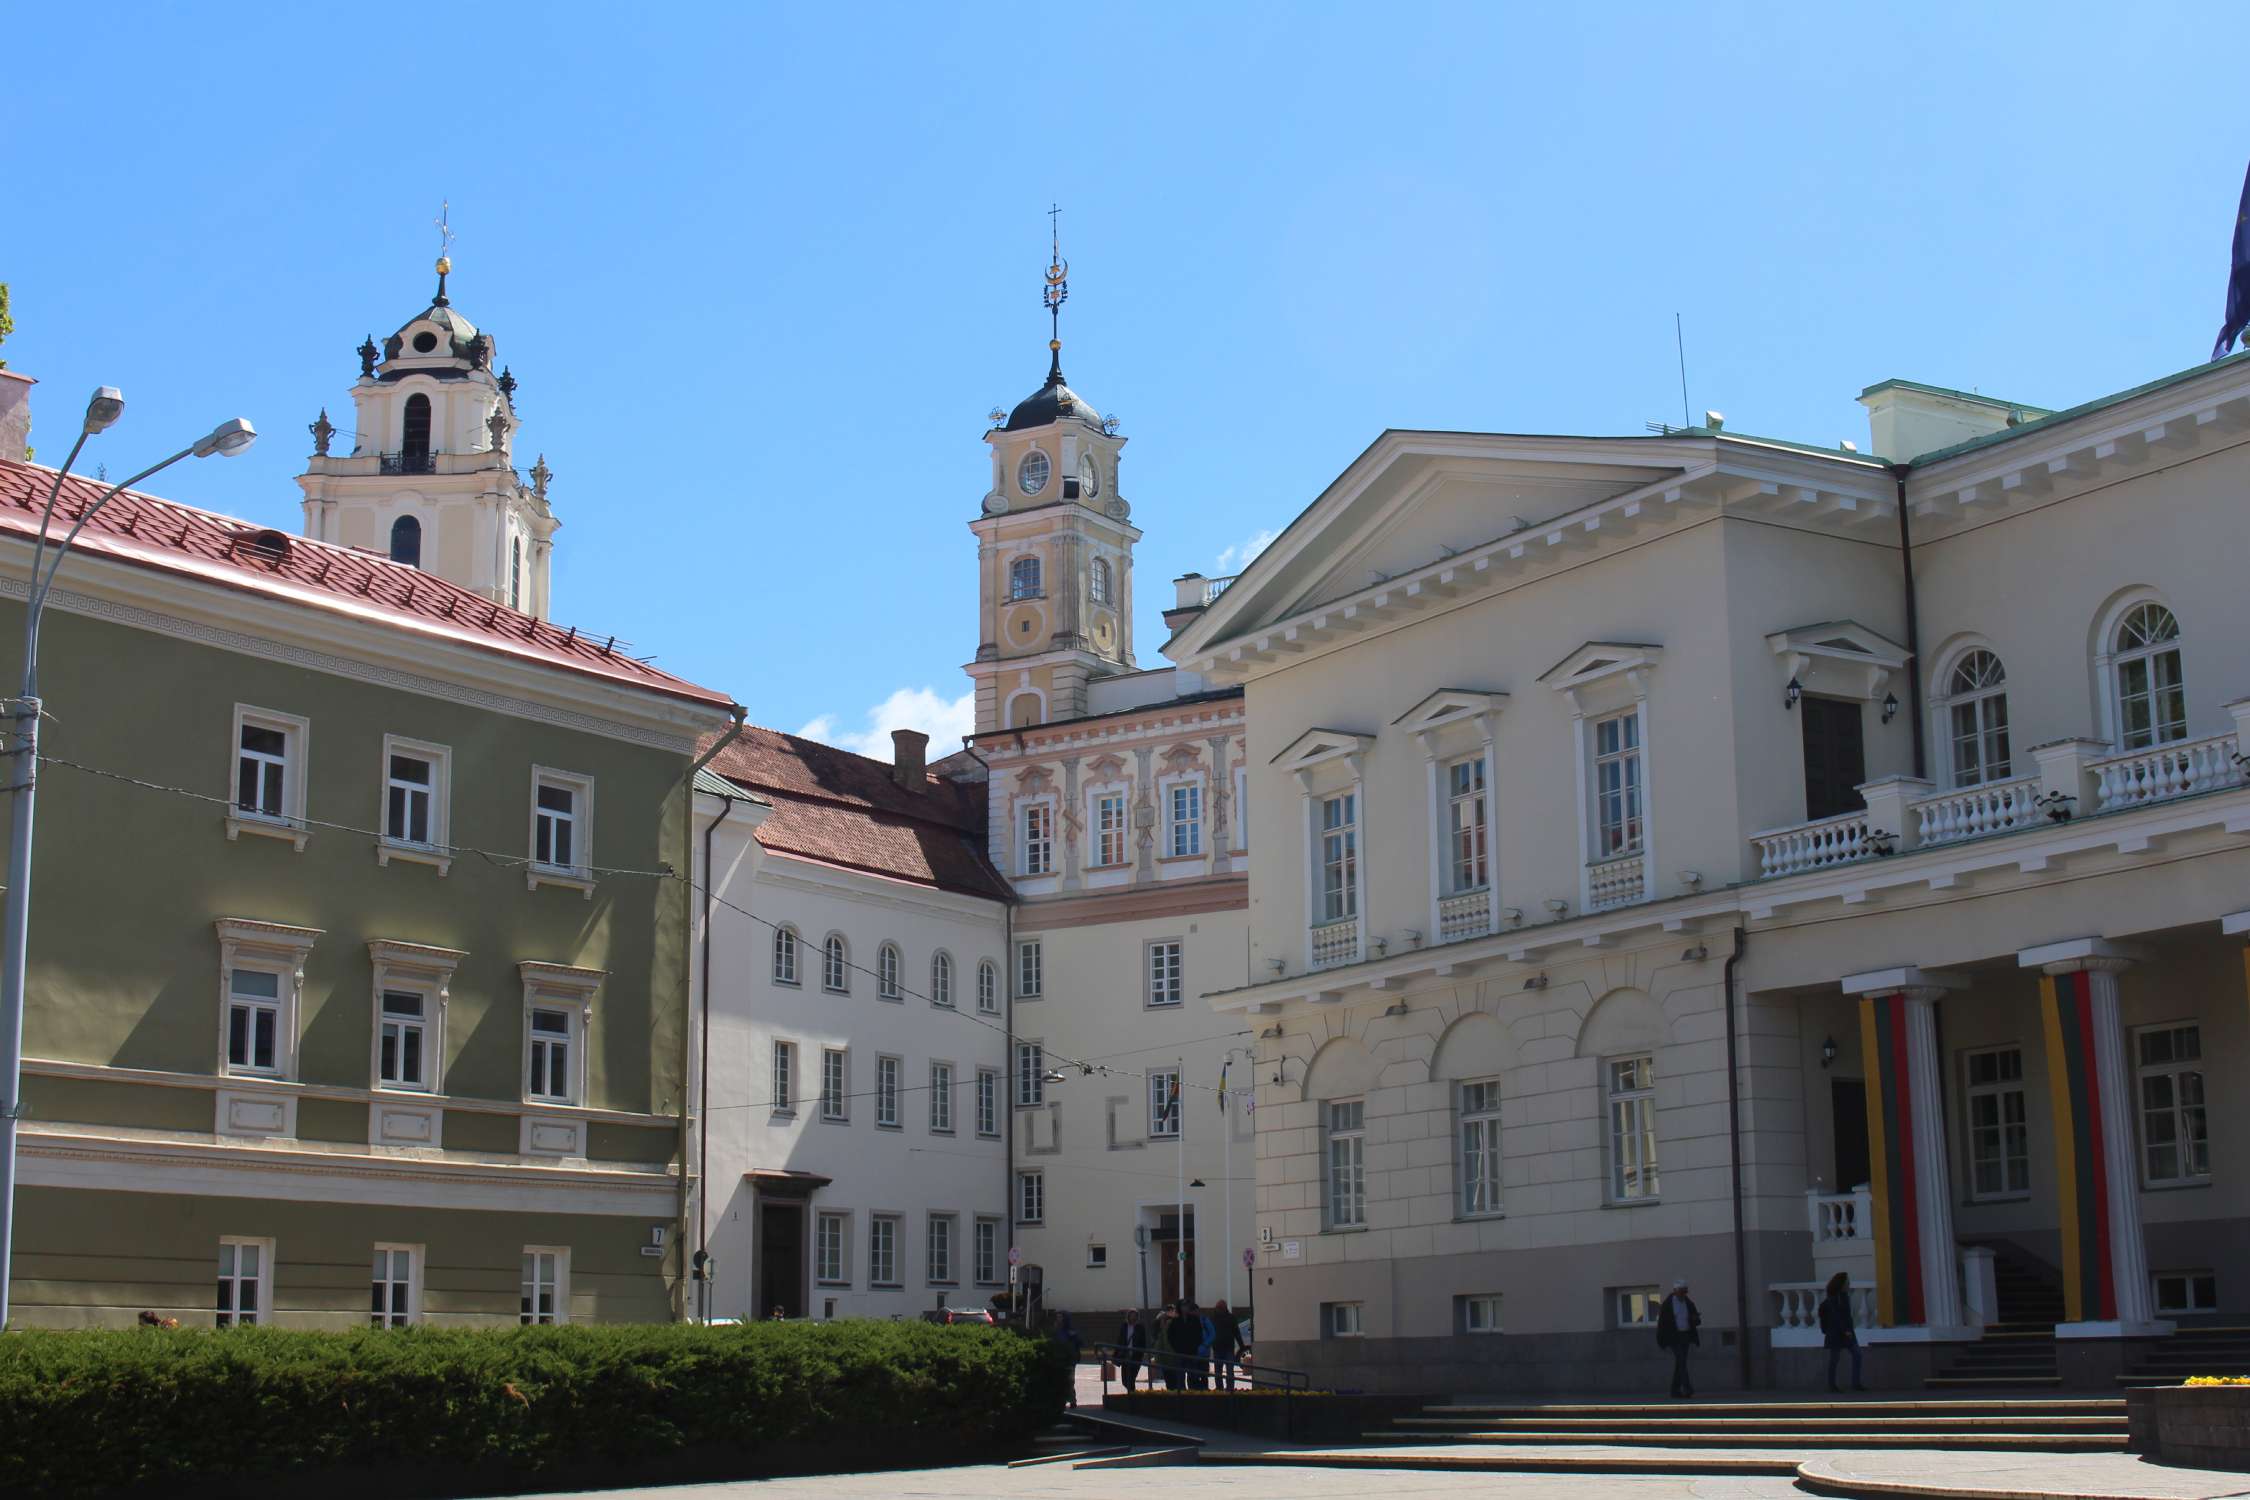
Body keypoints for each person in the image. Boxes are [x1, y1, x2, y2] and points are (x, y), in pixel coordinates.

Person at [1819, 1271, 1866, 1393]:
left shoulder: (1842, 1296)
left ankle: (1853, 1383)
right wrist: (1846, 1331)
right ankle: (1835, 1384)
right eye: (1847, 1281)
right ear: (1842, 1283)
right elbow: (1838, 1316)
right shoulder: (1838, 1298)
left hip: (1842, 1332)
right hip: (1839, 1333)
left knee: (1852, 1355)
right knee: (1837, 1358)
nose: (1849, 1283)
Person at [1655, 1279, 1701, 1399]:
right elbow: (1662, 1323)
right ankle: (1687, 1388)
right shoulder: (1668, 1304)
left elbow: (1695, 1319)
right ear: (1675, 1291)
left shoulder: (1688, 1303)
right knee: (1681, 1361)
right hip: (1673, 1337)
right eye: (1681, 1292)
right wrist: (1662, 1340)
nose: (1683, 1295)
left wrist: (1695, 1319)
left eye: (1684, 1292)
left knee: (1680, 1363)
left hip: (1685, 1335)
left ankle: (1674, 1391)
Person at [1167, 1297, 1206, 1390]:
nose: (1185, 1308)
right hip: (1179, 1352)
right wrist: (1176, 1348)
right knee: (1180, 1376)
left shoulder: (1194, 1319)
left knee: (1193, 1375)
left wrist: (1196, 1346)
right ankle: (1181, 1394)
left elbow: (1199, 1334)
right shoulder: (1175, 1321)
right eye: (1183, 1306)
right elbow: (1170, 1336)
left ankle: (1192, 1394)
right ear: (1179, 1307)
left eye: (1187, 1306)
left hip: (1192, 1352)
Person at [1210, 1300, 1244, 1390]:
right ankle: (1227, 1388)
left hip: (1222, 1348)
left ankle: (1224, 1388)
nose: (1220, 1309)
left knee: (1222, 1371)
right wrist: (1242, 1346)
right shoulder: (1229, 1318)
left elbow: (1236, 1332)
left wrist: (1242, 1346)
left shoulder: (1214, 1318)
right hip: (1224, 1348)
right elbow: (1236, 1333)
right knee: (1225, 1371)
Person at [1115, 1308, 1149, 1392]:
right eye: (1131, 1315)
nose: (1133, 1317)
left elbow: (1143, 1341)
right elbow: (1120, 1339)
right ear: (1128, 1316)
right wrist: (1117, 1352)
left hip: (1136, 1356)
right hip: (1125, 1355)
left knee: (1131, 1378)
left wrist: (1141, 1352)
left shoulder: (1140, 1327)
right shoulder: (1124, 1326)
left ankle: (1132, 1395)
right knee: (1124, 1380)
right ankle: (1132, 1393)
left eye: (1135, 1316)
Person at [1154, 1303, 1182, 1390]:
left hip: (1174, 1358)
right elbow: (1156, 1335)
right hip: (1165, 1358)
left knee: (1176, 1382)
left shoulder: (1176, 1324)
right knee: (1170, 1382)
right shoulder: (1162, 1330)